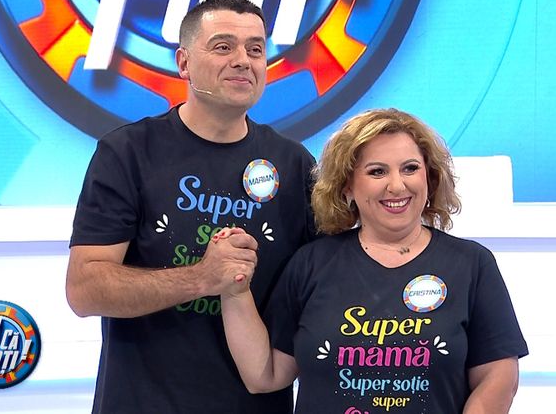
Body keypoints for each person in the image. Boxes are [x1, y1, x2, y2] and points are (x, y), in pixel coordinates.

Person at [65, 0, 316, 414]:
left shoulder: (296, 165)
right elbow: (84, 290)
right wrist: (202, 277)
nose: (243, 61)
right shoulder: (128, 152)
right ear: (184, 62)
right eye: (223, 46)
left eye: (256, 49)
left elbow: (326, 290)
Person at [221, 108, 529, 413]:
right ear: (347, 185)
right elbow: (265, 375)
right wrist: (235, 292)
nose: (396, 185)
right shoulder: (310, 264)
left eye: (410, 168)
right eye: (377, 171)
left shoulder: (472, 265)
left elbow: (498, 376)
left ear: (430, 176)